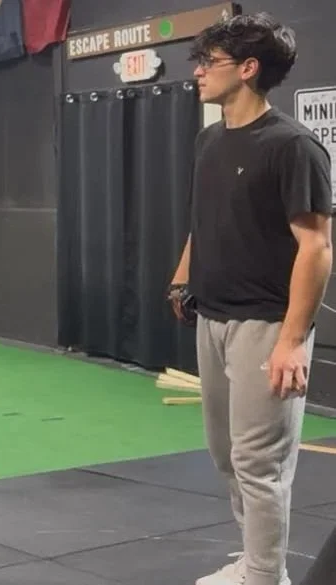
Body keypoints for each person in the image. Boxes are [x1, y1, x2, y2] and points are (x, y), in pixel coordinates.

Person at [168, 12, 333, 585]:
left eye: (208, 62)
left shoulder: (293, 146)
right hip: (212, 317)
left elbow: (316, 248)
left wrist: (292, 341)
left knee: (260, 463)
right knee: (227, 456)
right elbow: (204, 221)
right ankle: (256, 563)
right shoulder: (209, 139)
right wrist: (183, 278)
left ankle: (264, 578)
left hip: (266, 325)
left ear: (248, 68)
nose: (197, 71)